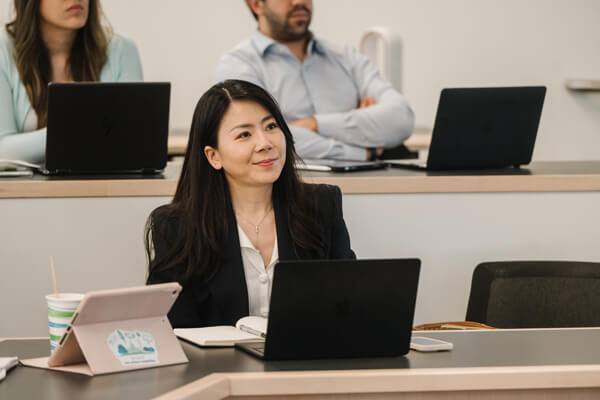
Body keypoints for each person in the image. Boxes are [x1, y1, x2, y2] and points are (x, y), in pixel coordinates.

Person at [146, 80, 355, 328]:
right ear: (214, 156)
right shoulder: (176, 226)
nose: (265, 143)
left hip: (305, 363)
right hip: (216, 366)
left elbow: (348, 307)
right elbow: (173, 329)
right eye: (244, 134)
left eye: (271, 126)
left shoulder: (321, 206)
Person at [215, 0, 415, 161]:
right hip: (289, 192)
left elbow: (401, 120)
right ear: (256, 4)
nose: (300, 2)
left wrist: (315, 124)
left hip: (369, 185)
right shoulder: (239, 66)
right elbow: (261, 142)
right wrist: (363, 149)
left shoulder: (345, 56)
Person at [0, 0, 143, 162]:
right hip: (25, 188)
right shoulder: (3, 50)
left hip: (102, 186)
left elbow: (134, 143)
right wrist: (83, 130)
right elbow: (2, 150)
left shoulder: (122, 51)